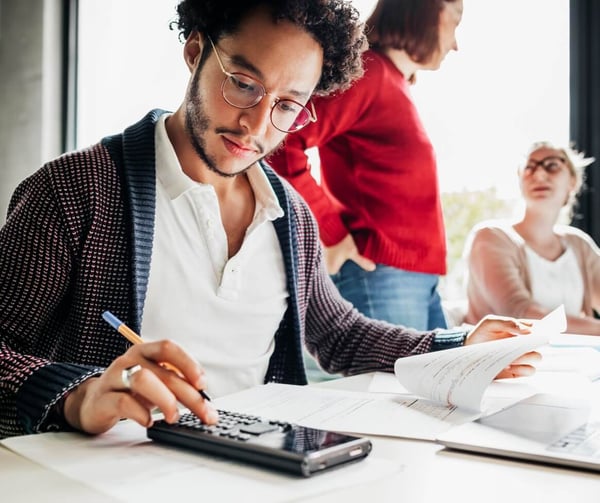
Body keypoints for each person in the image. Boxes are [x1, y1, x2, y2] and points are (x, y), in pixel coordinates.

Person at [0, 0, 536, 440]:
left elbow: (341, 336)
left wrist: (454, 345)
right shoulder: (72, 191)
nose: (256, 124)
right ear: (194, 53)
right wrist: (78, 395)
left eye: (286, 106)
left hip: (261, 471)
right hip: (113, 478)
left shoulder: (291, 217)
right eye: (243, 83)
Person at [267, 0, 463, 331]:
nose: (455, 44)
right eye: (454, 24)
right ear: (425, 16)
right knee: (393, 385)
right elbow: (281, 143)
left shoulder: (391, 81)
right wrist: (332, 233)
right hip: (381, 274)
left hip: (413, 278)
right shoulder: (368, 74)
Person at [464, 141, 600, 334]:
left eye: (552, 165)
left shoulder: (579, 244)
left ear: (572, 181)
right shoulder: (491, 237)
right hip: (509, 361)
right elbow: (520, 315)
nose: (539, 174)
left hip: (576, 358)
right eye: (529, 167)